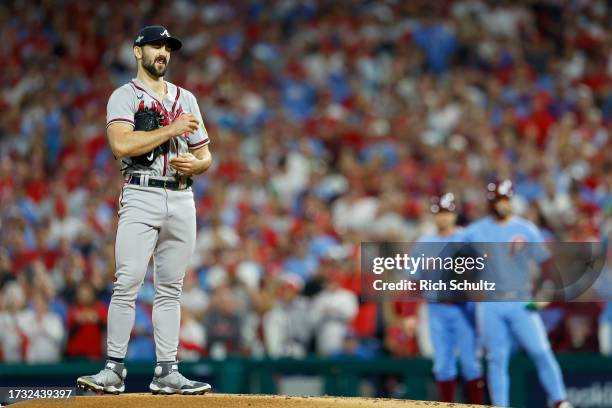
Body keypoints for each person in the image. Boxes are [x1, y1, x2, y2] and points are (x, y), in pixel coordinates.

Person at [77, 25, 212, 395]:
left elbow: (205, 154)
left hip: (183, 197)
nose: (163, 52)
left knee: (171, 289)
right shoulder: (125, 96)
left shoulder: (187, 98)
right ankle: (113, 369)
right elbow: (121, 144)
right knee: (128, 283)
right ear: (138, 52)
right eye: (155, 46)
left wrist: (197, 165)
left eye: (167, 47)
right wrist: (171, 130)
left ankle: (167, 370)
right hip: (141, 194)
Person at [462, 180, 571, 407]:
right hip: (490, 302)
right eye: (496, 200)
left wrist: (546, 291)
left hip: (521, 300)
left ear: (510, 200)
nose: (501, 204)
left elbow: (548, 264)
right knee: (496, 358)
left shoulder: (526, 229)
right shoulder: (475, 231)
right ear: (489, 202)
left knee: (540, 349)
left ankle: (560, 400)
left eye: (504, 199)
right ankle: (500, 404)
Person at [413, 193, 484, 403]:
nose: (443, 218)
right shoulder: (425, 242)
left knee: (471, 364)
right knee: (443, 365)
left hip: (465, 308)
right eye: (439, 213)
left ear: (454, 214)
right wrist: (409, 314)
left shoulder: (467, 237)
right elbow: (413, 280)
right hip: (437, 308)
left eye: (447, 213)